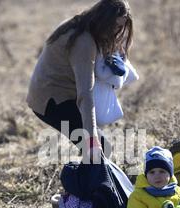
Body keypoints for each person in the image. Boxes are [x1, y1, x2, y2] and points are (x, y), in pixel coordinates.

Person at [26, 0, 133, 163]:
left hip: (49, 93)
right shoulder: (83, 42)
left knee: (97, 152)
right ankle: (84, 187)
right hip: (52, 101)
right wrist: (92, 138)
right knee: (100, 150)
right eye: (114, 27)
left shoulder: (81, 23)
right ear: (103, 20)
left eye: (120, 28)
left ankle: (86, 185)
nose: (116, 32)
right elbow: (85, 94)